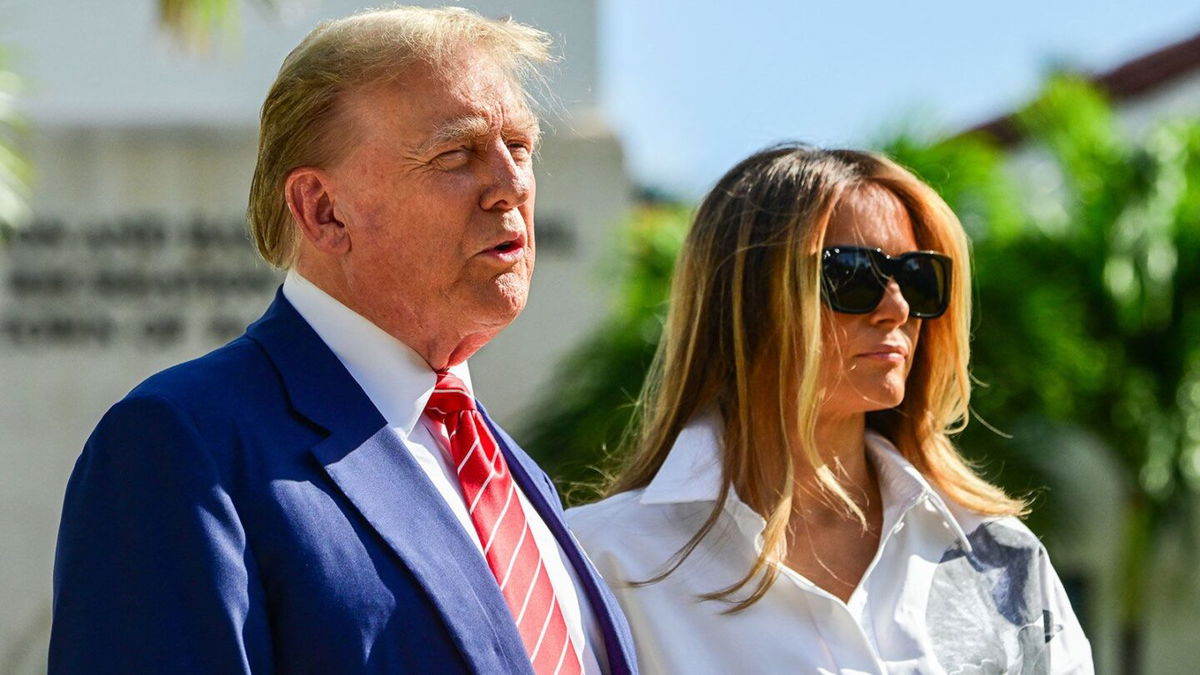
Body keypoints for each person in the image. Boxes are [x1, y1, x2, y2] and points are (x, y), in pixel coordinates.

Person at [49, 7, 637, 674]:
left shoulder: (517, 479)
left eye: (521, 146)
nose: (512, 185)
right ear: (324, 211)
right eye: (458, 153)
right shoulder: (184, 444)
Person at [567, 145, 1094, 673]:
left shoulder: (1002, 558)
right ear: (747, 301)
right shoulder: (601, 562)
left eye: (917, 277)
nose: (898, 308)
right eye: (852, 274)